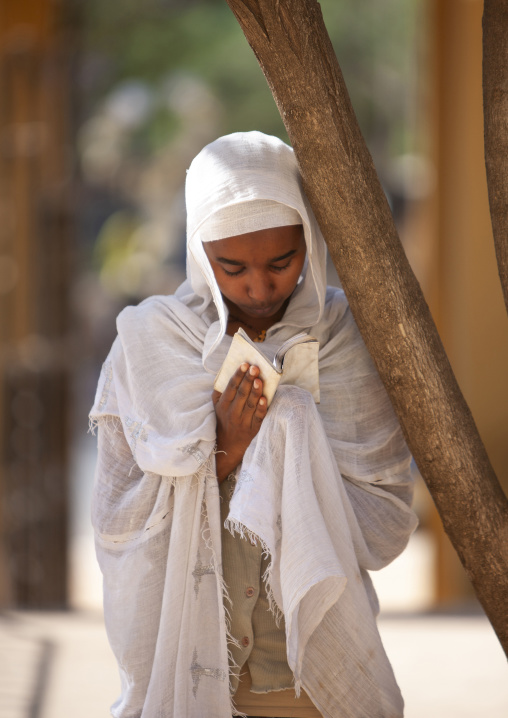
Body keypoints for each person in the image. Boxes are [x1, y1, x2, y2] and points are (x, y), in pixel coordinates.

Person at [90, 131, 418, 718]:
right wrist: (224, 448)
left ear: (310, 245)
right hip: (195, 666)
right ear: (199, 252)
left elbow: (384, 511)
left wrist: (290, 434)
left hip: (309, 674)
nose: (259, 288)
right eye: (232, 266)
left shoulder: (345, 337)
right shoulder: (154, 346)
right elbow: (121, 516)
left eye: (281, 263)